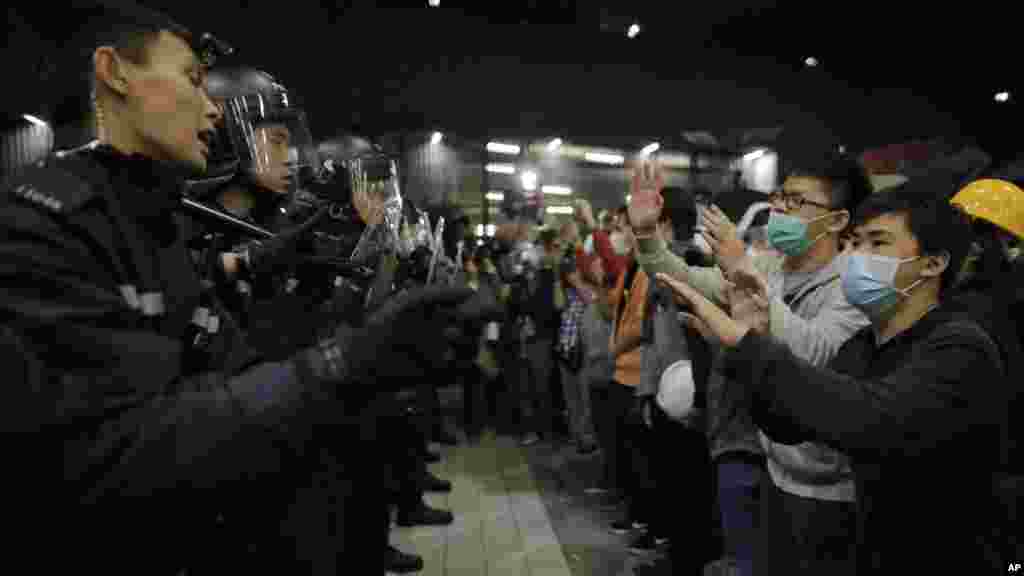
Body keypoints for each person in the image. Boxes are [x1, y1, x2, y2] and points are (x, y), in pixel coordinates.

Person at [0, 6, 476, 573]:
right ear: (114, 71)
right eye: (193, 81)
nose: (210, 109)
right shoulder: (44, 219)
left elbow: (226, 370)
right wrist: (339, 363)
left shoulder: (151, 216)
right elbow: (111, 451)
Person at [658, 178, 1010, 573]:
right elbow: (789, 424)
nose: (858, 256)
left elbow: (869, 418)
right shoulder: (864, 344)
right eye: (856, 242)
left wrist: (752, 348)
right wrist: (748, 349)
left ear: (933, 263)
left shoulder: (959, 347)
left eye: (877, 243)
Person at [629, 152, 873, 576]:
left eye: (797, 202)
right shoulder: (770, 266)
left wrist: (744, 271)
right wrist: (648, 234)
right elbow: (683, 280)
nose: (779, 209)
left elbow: (816, 352)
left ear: (836, 221)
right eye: (780, 197)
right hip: (760, 453)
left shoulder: (855, 284)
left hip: (823, 481)